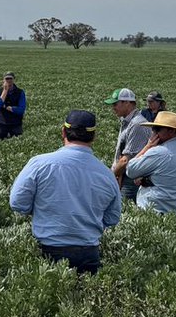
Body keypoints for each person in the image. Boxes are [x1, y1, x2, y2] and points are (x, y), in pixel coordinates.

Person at [9, 110, 121, 274]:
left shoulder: (39, 164)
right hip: (89, 252)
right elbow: (112, 218)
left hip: (48, 250)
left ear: (63, 132)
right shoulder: (106, 174)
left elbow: (17, 203)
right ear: (94, 137)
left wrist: (42, 210)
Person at [125, 111, 176, 215]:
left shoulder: (160, 152)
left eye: (157, 129)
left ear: (171, 131)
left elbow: (130, 170)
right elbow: (169, 176)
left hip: (154, 212)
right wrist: (147, 179)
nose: (153, 133)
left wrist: (148, 146)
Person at [104, 88, 149, 203]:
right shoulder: (127, 121)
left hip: (130, 179)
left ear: (127, 103)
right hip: (123, 175)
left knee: (124, 207)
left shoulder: (136, 124)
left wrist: (112, 176)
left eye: (115, 104)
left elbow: (126, 160)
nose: (113, 107)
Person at [0, 72, 26, 140]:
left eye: (10, 78)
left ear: (14, 79)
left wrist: (11, 108)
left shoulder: (20, 92)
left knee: (18, 142)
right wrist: (5, 90)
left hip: (16, 123)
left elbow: (21, 110)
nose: (9, 80)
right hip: (1, 123)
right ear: (3, 80)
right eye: (7, 78)